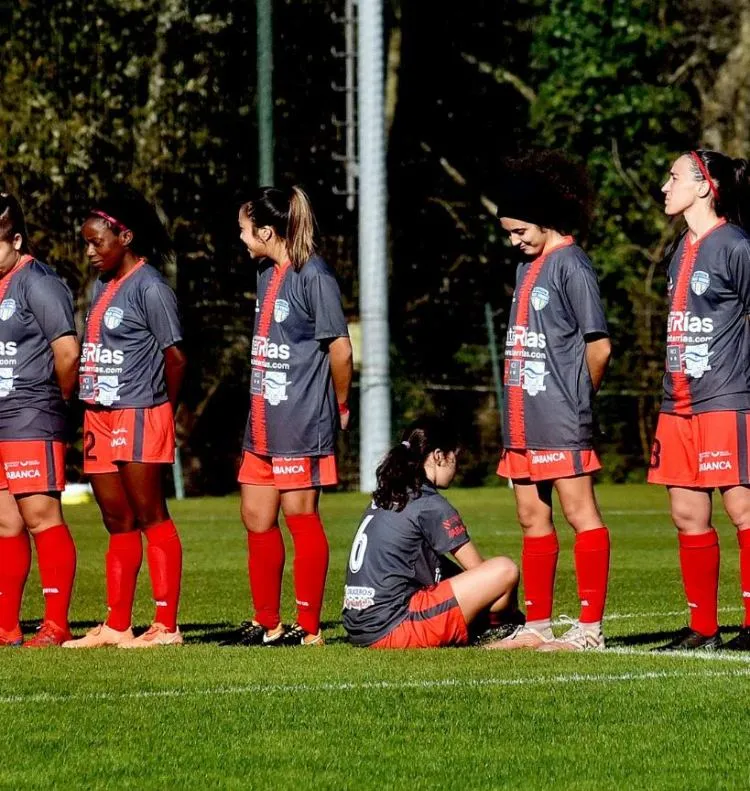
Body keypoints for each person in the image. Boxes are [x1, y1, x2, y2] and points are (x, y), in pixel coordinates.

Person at [487, 151, 612, 652]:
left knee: (581, 514)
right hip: (522, 420)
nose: (515, 241)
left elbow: (598, 346)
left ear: (546, 219)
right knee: (530, 516)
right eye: (510, 233)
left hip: (560, 418)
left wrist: (578, 397)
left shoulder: (572, 265)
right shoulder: (526, 268)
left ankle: (589, 630)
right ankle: (536, 626)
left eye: (520, 231)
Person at [222, 185, 353, 647]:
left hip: (301, 419)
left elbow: (340, 349)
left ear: (267, 231)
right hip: (262, 420)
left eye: (244, 230)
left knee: (301, 516)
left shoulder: (314, 275)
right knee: (256, 516)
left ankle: (309, 628)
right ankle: (266, 621)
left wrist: (339, 404)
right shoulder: (265, 273)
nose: (240, 238)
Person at [63, 186, 187, 649]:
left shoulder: (151, 287)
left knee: (151, 515)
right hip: (99, 416)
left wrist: (161, 408)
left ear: (126, 236)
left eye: (98, 242)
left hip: (139, 412)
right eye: (88, 243)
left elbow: (175, 357)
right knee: (117, 520)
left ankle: (166, 626)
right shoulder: (103, 284)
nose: (91, 252)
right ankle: (117, 625)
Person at [648, 150, 750, 652]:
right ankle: (703, 629)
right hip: (678, 403)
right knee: (687, 514)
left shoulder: (736, 245)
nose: (665, 186)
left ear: (705, 186)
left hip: (726, 398)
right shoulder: (679, 250)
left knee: (743, 510)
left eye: (673, 178)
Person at [343, 418, 519, 649]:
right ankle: (499, 632)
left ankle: (496, 628)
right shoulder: (429, 504)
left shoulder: (390, 494)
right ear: (438, 456)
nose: (457, 467)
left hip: (360, 625)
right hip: (395, 626)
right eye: (455, 457)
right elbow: (482, 572)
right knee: (504, 570)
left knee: (451, 572)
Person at [0, 193, 79, 648]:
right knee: (6, 523)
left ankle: (56, 623)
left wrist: (57, 401)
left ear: (15, 239)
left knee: (40, 517)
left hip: (32, 415)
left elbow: (67, 352)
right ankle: (7, 624)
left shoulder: (40, 282)